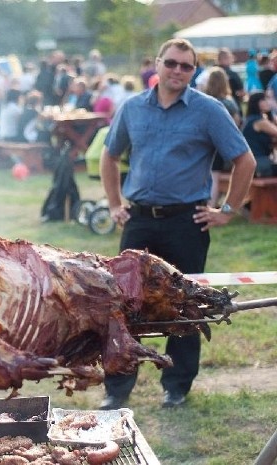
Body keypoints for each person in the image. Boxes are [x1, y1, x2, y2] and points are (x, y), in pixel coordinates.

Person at [99, 38, 256, 410]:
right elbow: (109, 156)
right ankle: (117, 389)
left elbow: (244, 160)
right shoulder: (133, 108)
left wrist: (228, 209)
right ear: (157, 64)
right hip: (139, 220)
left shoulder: (209, 110)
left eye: (187, 66)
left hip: (187, 221)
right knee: (124, 306)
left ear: (194, 71)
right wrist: (114, 204)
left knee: (186, 307)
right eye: (171, 63)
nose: (178, 71)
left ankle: (177, 386)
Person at [203, 66, 242, 205]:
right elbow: (237, 124)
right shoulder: (229, 103)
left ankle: (210, 204)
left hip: (208, 144)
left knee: (212, 175)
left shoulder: (205, 101)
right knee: (214, 175)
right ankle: (212, 204)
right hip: (224, 145)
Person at [242, 91, 277, 177]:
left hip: (253, 162)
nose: (268, 102)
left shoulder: (250, 119)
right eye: (265, 99)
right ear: (257, 103)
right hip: (260, 163)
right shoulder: (259, 121)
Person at [217, 47, 245, 116]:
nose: (232, 59)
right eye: (230, 57)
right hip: (232, 107)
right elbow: (242, 92)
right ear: (224, 59)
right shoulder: (233, 74)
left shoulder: (211, 73)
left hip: (215, 106)